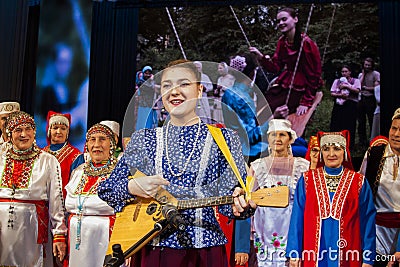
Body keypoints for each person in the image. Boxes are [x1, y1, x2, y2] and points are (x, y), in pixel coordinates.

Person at [98, 59, 247, 267]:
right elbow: (107, 189)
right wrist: (134, 186)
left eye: (184, 84)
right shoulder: (144, 139)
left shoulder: (224, 139)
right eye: (167, 85)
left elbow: (231, 202)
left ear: (199, 89)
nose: (174, 91)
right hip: (154, 247)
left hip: (206, 249)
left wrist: (242, 206)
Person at [286, 130, 376, 267]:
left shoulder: (359, 182)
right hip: (313, 252)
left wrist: (368, 258)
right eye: (326, 149)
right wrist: (294, 252)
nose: (331, 154)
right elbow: (297, 217)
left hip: (349, 253)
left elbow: (367, 220)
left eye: (337, 149)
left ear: (344, 152)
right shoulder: (306, 180)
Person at [0, 111, 67, 266]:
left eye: (28, 129)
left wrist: (59, 234)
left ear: (34, 132)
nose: (24, 134)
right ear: (10, 134)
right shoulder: (1, 157)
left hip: (31, 227)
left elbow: (56, 200)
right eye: (18, 130)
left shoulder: (48, 160)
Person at [249, 119, 309, 266]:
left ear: (290, 139)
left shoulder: (302, 166)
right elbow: (249, 197)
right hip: (265, 225)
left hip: (292, 224)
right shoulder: (257, 166)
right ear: (268, 139)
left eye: (282, 135)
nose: (277, 139)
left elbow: (308, 199)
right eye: (273, 135)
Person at [249, 7, 323, 116]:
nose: (281, 23)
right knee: (262, 106)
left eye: (284, 19)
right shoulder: (282, 41)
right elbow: (275, 67)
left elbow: (314, 74)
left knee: (274, 110)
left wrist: (306, 101)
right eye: (278, 21)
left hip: (302, 87)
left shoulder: (306, 42)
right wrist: (260, 56)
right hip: (285, 83)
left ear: (295, 19)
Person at [64, 123, 118, 267]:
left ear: (112, 144)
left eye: (102, 139)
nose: (96, 144)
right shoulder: (78, 172)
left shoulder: (119, 172)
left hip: (105, 238)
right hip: (76, 239)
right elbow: (69, 203)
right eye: (92, 140)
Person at [222, 54, 288, 163]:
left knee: (299, 142)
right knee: (301, 150)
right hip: (248, 151)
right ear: (253, 72)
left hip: (243, 147)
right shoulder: (239, 98)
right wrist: (273, 118)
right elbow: (249, 137)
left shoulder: (237, 92)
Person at [359, 107, 400, 267]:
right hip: (376, 230)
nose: (396, 135)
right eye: (394, 128)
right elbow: (360, 186)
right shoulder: (375, 153)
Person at [43, 111, 82, 199]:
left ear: (67, 132)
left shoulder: (75, 155)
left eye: (63, 129)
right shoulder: (41, 153)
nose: (59, 131)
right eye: (55, 128)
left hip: (63, 203)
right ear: (49, 130)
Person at [329, 65, 361, 151]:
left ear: (350, 72)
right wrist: (340, 95)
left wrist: (347, 87)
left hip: (350, 105)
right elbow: (332, 92)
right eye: (343, 72)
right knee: (336, 123)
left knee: (349, 124)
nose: (344, 73)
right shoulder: (337, 81)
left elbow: (357, 90)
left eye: (346, 71)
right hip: (339, 105)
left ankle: (349, 145)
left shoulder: (356, 81)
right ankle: (335, 144)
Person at [357, 57, 380, 147]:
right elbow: (358, 85)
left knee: (371, 119)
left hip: (371, 98)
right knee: (361, 120)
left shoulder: (376, 74)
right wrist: (363, 75)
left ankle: (373, 139)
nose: (366, 66)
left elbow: (377, 88)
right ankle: (362, 140)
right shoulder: (360, 75)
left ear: (372, 66)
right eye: (365, 65)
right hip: (361, 98)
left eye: (368, 65)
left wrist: (366, 88)